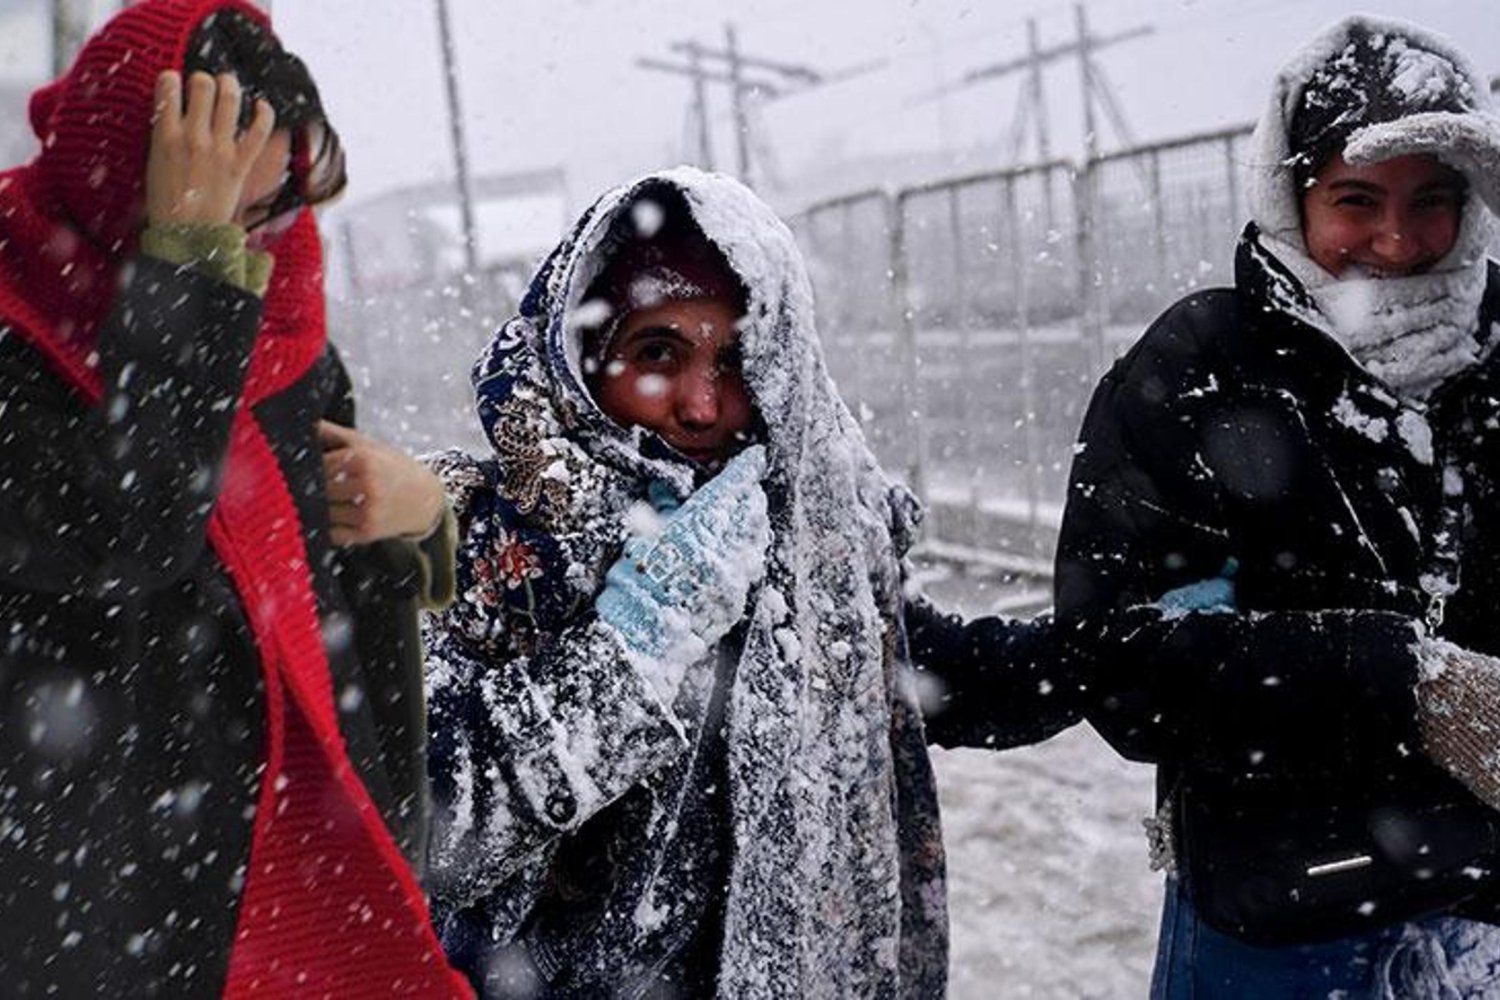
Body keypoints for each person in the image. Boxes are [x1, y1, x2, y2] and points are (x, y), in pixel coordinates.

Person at [421, 166, 1092, 998]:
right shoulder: (465, 537)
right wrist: (637, 644)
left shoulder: (789, 528)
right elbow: (436, 829)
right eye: (658, 352)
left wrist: (1112, 651)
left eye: (737, 360)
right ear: (582, 358)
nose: (704, 406)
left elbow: (905, 669)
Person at [0, 1, 471, 995]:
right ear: (130, 187)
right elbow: (127, 530)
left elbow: (320, 590)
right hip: (100, 914)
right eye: (226, 209)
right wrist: (187, 265)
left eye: (283, 207)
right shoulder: (22, 338)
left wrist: (423, 522)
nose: (262, 256)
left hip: (298, 896)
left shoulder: (279, 335)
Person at [1055, 14, 1500, 998]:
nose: (1395, 239)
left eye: (1434, 200)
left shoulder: (1494, 362)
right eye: (1355, 199)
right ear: (1290, 196)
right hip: (1278, 931)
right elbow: (1123, 660)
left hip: (1481, 916)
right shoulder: (1204, 370)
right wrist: (1414, 682)